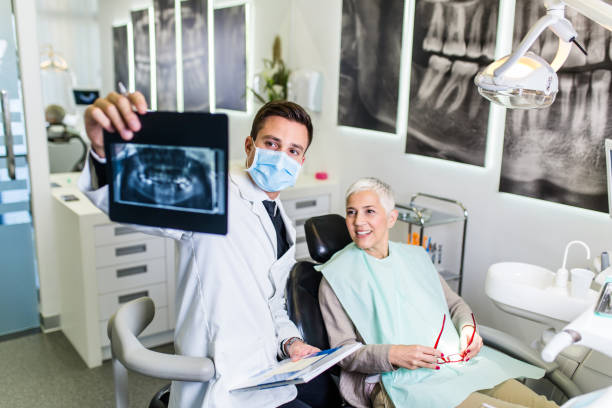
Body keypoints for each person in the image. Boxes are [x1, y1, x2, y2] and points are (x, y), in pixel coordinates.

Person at [80, 92, 321, 408]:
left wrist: (290, 341)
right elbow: (143, 199)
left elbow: (273, 303)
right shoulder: (213, 191)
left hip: (265, 376)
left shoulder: (280, 219)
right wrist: (103, 150)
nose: (281, 158)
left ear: (301, 161)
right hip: (218, 382)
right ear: (249, 146)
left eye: (293, 150)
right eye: (272, 144)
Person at [317, 177, 559, 408]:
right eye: (351, 212)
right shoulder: (336, 277)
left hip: (455, 369)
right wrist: (393, 354)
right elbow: (343, 353)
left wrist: (468, 329)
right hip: (399, 385)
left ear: (392, 218)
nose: (358, 221)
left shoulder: (415, 258)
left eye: (369, 211)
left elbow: (456, 306)